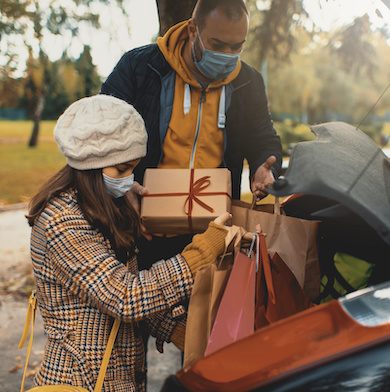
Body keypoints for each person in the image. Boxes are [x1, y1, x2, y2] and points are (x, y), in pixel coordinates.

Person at [25, 94, 231, 392]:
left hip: (118, 378)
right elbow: (124, 296)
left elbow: (114, 290)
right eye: (121, 169)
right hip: (80, 384)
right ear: (92, 165)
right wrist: (200, 254)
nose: (128, 179)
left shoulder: (104, 204)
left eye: (132, 168)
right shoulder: (63, 221)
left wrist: (174, 328)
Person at [100, 0, 282, 266]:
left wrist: (263, 166)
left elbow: (262, 136)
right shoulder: (139, 67)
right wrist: (122, 187)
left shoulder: (249, 82)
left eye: (237, 47)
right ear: (192, 30)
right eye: (218, 45)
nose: (228, 55)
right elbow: (101, 133)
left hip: (212, 235)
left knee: (206, 306)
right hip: (143, 227)